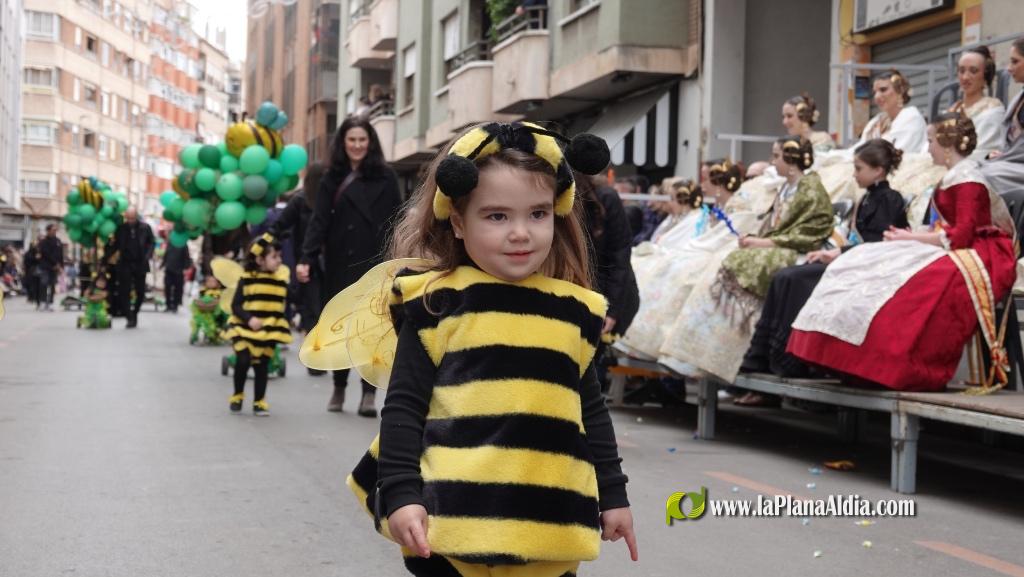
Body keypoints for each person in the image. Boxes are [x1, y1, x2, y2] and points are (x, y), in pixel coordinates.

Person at [344, 122, 636, 575]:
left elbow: (590, 411)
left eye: (537, 214)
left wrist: (613, 495)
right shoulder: (436, 303)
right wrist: (401, 494)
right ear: (458, 222)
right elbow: (405, 408)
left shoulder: (575, 310)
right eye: (497, 216)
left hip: (549, 528)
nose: (521, 233)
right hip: (452, 525)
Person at [790, 114, 1016, 392]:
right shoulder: (954, 176)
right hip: (957, 246)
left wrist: (911, 237)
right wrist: (910, 238)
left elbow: (963, 235)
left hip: (980, 255)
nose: (928, 146)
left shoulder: (967, 179)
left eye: (931, 140)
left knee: (917, 281)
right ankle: (854, 358)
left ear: (947, 144)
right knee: (869, 258)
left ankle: (891, 362)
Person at [658, 136, 834, 382]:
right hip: (777, 246)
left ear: (791, 160)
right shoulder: (786, 187)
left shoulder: (811, 189)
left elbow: (808, 232)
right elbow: (774, 225)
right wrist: (754, 238)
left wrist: (761, 242)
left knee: (734, 264)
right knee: (725, 262)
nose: (773, 162)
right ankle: (704, 352)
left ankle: (737, 353)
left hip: (798, 250)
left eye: (776, 156)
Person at [741, 139, 909, 395]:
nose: (854, 174)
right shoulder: (869, 197)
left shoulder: (889, 199)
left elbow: (878, 244)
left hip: (870, 267)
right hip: (854, 259)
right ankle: (764, 355)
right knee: (784, 277)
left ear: (878, 171)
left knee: (795, 278)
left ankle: (790, 359)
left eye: (859, 168)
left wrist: (836, 254)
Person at [298, 117, 402, 416]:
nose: (357, 145)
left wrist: (395, 259)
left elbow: (397, 220)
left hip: (374, 261)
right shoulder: (332, 177)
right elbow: (319, 220)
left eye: (362, 140)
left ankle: (369, 393)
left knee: (371, 326)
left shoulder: (386, 176)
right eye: (351, 140)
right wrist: (306, 256)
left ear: (370, 143)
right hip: (339, 262)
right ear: (343, 143)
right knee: (340, 324)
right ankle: (339, 385)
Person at [223, 233, 292, 416]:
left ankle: (259, 401)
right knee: (243, 360)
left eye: (280, 256)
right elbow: (235, 305)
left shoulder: (281, 280)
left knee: (262, 365)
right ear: (260, 259)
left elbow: (289, 299)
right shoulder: (247, 279)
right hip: (245, 327)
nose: (279, 260)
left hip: (269, 328)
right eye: (274, 257)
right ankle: (237, 395)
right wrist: (249, 318)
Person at [271, 163, 323, 345]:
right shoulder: (301, 201)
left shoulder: (336, 199)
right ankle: (315, 354)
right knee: (312, 309)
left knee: (323, 308)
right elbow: (278, 227)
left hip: (331, 263)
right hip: (308, 263)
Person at [982, 37, 1024, 195]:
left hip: (1018, 167)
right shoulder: (1018, 97)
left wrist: (1007, 156)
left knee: (983, 176)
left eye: (1015, 61)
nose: (1009, 68)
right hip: (1013, 163)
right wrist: (1002, 155)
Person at [950, 46, 1006, 161]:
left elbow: (985, 152)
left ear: (985, 77)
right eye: (961, 71)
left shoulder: (992, 110)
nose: (965, 77)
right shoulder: (953, 109)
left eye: (973, 71)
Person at [853, 70, 927, 154]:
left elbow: (889, 154)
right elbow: (859, 148)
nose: (876, 96)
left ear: (900, 91)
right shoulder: (876, 121)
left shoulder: (912, 118)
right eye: (874, 92)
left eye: (883, 90)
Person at [111, 207, 154, 328]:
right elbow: (115, 245)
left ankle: (135, 313)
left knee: (140, 292)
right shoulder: (121, 229)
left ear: (136, 216)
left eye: (132, 218)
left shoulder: (145, 228)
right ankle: (129, 316)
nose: (130, 221)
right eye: (128, 218)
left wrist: (148, 255)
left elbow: (151, 242)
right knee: (124, 291)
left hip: (140, 263)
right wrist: (107, 258)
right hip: (125, 263)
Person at [38, 224, 64, 311]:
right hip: (46, 266)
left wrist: (60, 266)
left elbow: (61, 255)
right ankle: (42, 302)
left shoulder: (58, 241)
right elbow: (46, 254)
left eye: (55, 230)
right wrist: (55, 263)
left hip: (55, 267)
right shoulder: (43, 242)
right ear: (48, 231)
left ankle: (51, 303)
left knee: (52, 285)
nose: (54, 232)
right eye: (53, 230)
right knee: (44, 284)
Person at [162, 241, 191, 313]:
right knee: (167, 287)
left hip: (179, 270)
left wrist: (185, 268)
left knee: (177, 289)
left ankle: (175, 305)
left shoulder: (183, 244)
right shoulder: (170, 243)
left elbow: (186, 257)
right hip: (169, 269)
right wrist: (163, 264)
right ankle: (168, 305)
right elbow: (166, 255)